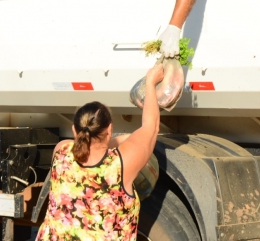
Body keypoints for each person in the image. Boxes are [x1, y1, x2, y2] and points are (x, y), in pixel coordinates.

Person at [35, 63, 164, 241]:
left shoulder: (61, 151)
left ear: (74, 131)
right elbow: (151, 126)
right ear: (110, 129)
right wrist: (150, 82)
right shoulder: (120, 165)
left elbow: (88, 146)